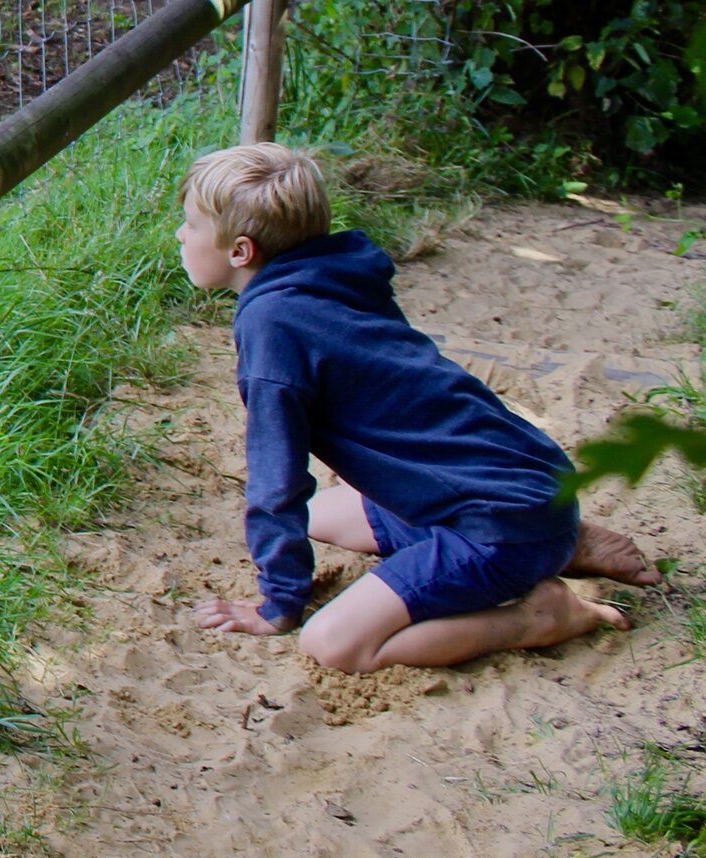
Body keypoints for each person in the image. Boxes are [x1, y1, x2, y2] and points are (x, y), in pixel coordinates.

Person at [179, 143, 659, 673]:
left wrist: (280, 603)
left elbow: (277, 482)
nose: (181, 235)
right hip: (528, 483)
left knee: (333, 644)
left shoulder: (271, 326)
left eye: (192, 224)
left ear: (241, 251)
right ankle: (560, 543)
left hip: (496, 519)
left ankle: (541, 616)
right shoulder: (334, 274)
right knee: (320, 517)